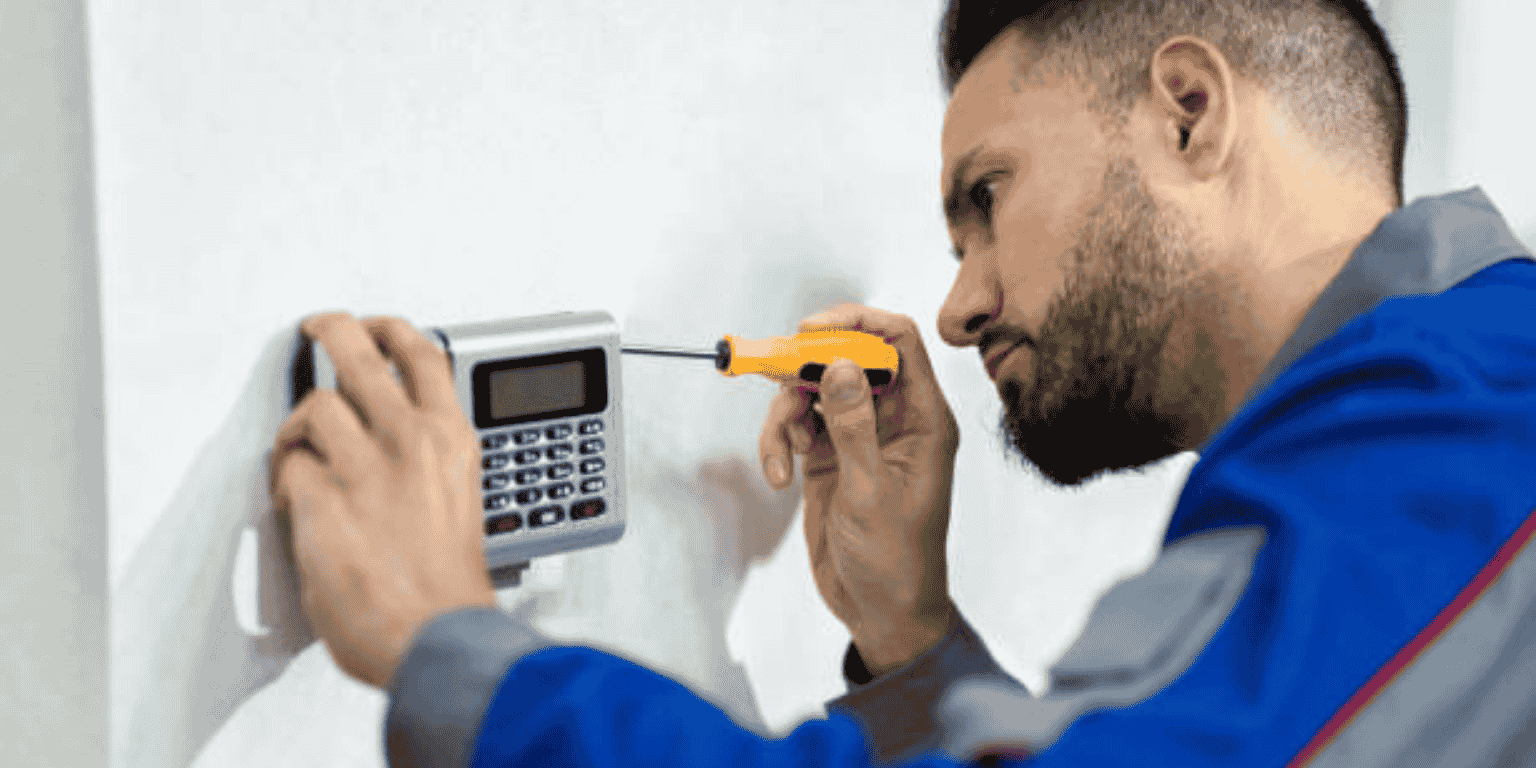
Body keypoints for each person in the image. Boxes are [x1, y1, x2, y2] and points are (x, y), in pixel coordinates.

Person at [268, 0, 1536, 766]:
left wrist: (455, 652)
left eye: (989, 199)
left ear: (1190, 112)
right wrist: (913, 642)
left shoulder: (1464, 428)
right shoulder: (1448, 408)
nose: (958, 304)